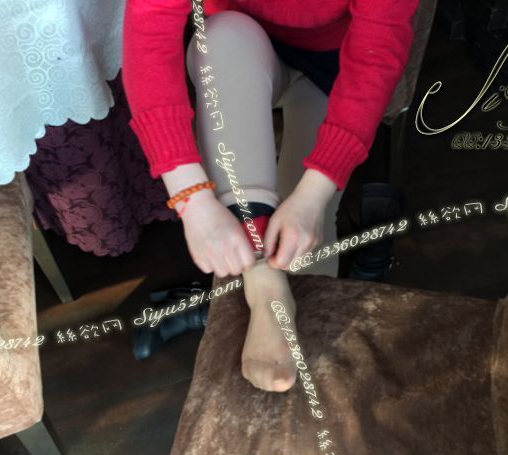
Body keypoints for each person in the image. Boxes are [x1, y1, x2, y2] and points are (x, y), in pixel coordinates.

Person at [122, 0, 419, 392]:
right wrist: (192, 200)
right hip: (236, 49)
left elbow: (375, 54)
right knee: (221, 38)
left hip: (336, 67)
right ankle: (263, 286)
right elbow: (149, 29)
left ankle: (261, 293)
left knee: (305, 241)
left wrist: (313, 195)